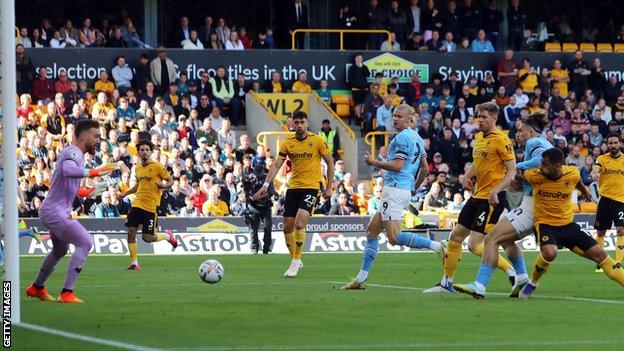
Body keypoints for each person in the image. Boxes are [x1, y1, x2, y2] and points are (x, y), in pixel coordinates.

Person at [342, 104, 445, 290]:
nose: (395, 118)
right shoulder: (417, 137)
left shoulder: (402, 137)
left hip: (395, 190)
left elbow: (398, 166)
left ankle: (437, 246)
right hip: (402, 190)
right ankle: (361, 278)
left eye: (399, 116)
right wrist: (412, 188)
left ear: (409, 119)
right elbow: (424, 168)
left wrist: (375, 162)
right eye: (393, 116)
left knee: (394, 238)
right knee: (371, 232)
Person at [454, 111, 552, 298]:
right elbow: (543, 170)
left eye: (521, 131)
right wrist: (521, 180)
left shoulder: (534, 142)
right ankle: (522, 276)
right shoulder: (546, 142)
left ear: (531, 132)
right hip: (541, 202)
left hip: (533, 204)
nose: (518, 135)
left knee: (491, 239)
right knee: (506, 239)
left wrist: (517, 169)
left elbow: (541, 160)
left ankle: (479, 286)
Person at [424, 102, 517, 293]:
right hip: (476, 196)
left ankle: (511, 271)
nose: (480, 120)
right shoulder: (479, 136)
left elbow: (512, 172)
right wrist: (468, 175)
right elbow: (478, 161)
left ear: (494, 118)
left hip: (492, 199)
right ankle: (446, 283)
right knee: (455, 237)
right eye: (478, 116)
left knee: (475, 245)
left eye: (484, 117)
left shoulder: (502, 140)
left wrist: (496, 190)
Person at [25, 120, 117, 303]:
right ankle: (67, 292)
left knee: (60, 250)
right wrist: (94, 173)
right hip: (54, 211)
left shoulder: (76, 154)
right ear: (83, 136)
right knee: (85, 241)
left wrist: (87, 192)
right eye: (96, 136)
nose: (99, 140)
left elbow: (66, 183)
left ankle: (37, 287)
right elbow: (68, 170)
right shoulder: (74, 152)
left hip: (54, 210)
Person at [518, 148, 624, 298]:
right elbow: (518, 175)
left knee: (600, 254)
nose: (540, 167)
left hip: (568, 225)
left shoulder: (572, 173)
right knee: (550, 252)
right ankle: (533, 283)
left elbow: (578, 181)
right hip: (545, 224)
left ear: (557, 166)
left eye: (544, 164)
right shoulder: (534, 175)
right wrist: (515, 179)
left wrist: (584, 190)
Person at [254, 111, 334, 277]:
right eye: (296, 122)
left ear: (307, 123)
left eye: (301, 122)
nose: (298, 125)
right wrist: (265, 184)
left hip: (312, 187)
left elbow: (330, 163)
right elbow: (276, 165)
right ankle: (296, 259)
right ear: (292, 125)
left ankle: (296, 261)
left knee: (299, 223)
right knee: (287, 228)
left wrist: (329, 187)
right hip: (293, 187)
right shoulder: (288, 143)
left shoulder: (318, 140)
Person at [117, 140, 177, 271]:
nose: (144, 152)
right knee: (131, 231)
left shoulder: (157, 166)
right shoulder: (137, 168)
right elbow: (139, 186)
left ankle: (167, 236)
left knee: (147, 238)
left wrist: (164, 186)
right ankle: (135, 263)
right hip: (137, 203)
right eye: (142, 150)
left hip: (150, 206)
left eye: (146, 150)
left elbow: (171, 180)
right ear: (138, 152)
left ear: (150, 152)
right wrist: (125, 193)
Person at [591, 133, 624, 271]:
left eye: (615, 143)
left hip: (621, 201)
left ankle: (617, 262)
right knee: (600, 232)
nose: (613, 145)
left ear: (620, 144)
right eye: (610, 143)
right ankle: (600, 261)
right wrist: (595, 173)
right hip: (605, 200)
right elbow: (596, 168)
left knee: (621, 230)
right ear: (607, 144)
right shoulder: (602, 158)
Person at [243, 164, 275, 254]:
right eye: (256, 172)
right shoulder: (249, 179)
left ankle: (266, 248)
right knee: (253, 229)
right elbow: (245, 192)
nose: (257, 175)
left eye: (259, 173)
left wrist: (259, 196)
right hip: (253, 207)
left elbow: (271, 192)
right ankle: (254, 248)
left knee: (267, 228)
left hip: (265, 206)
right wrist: (250, 197)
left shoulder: (268, 179)